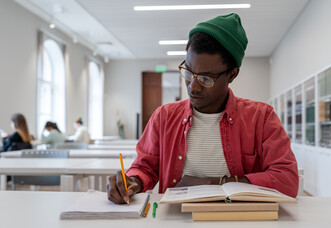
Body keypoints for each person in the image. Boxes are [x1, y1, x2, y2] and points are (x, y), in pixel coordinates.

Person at [107, 13, 299, 204]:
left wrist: (213, 184)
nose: (193, 86)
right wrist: (131, 181)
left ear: (232, 75)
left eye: (206, 79)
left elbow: (287, 179)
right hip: (177, 222)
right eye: (189, 72)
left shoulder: (261, 118)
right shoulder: (164, 117)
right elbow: (145, 168)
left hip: (240, 221)